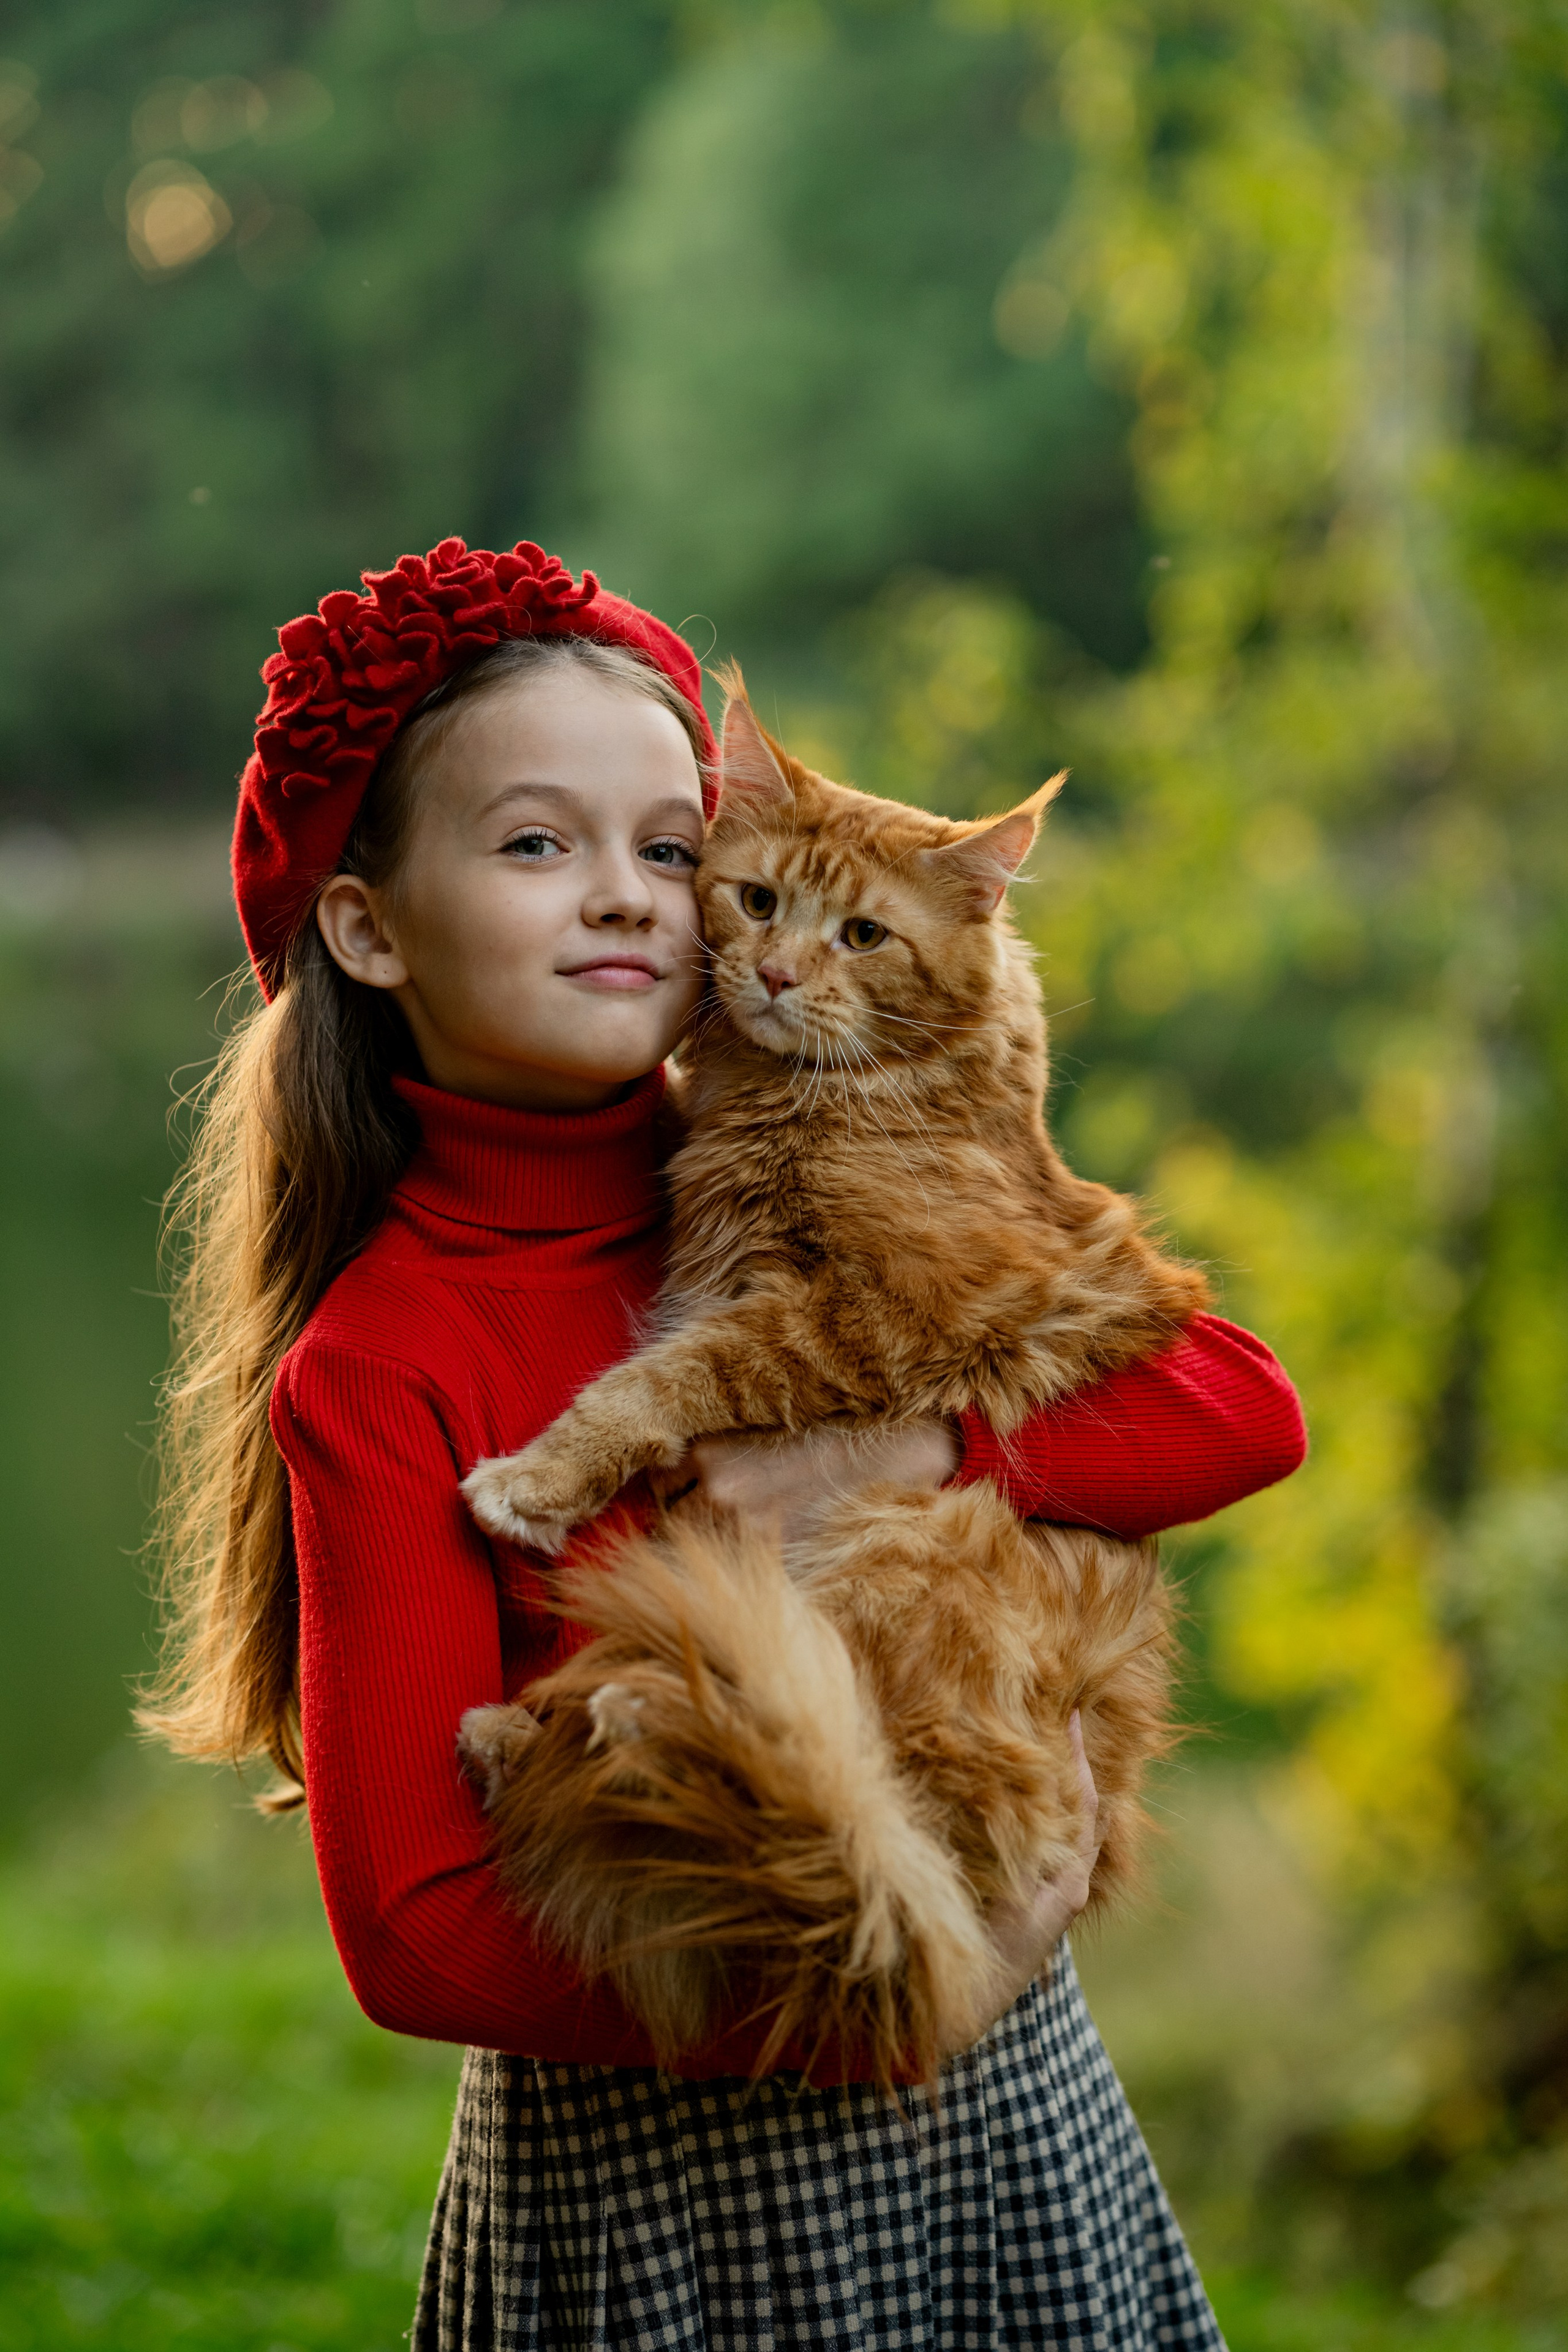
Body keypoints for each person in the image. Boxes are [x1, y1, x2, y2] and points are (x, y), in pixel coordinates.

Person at [145, 538, 1305, 2351]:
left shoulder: (809, 1151)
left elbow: (1233, 1406)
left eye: (673, 851)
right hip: (679, 2159)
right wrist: (875, 2004)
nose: (629, 897)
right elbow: (417, 1936)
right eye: (538, 847)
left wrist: (903, 1458)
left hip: (1015, 2127)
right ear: (370, 930)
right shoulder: (384, 1361)